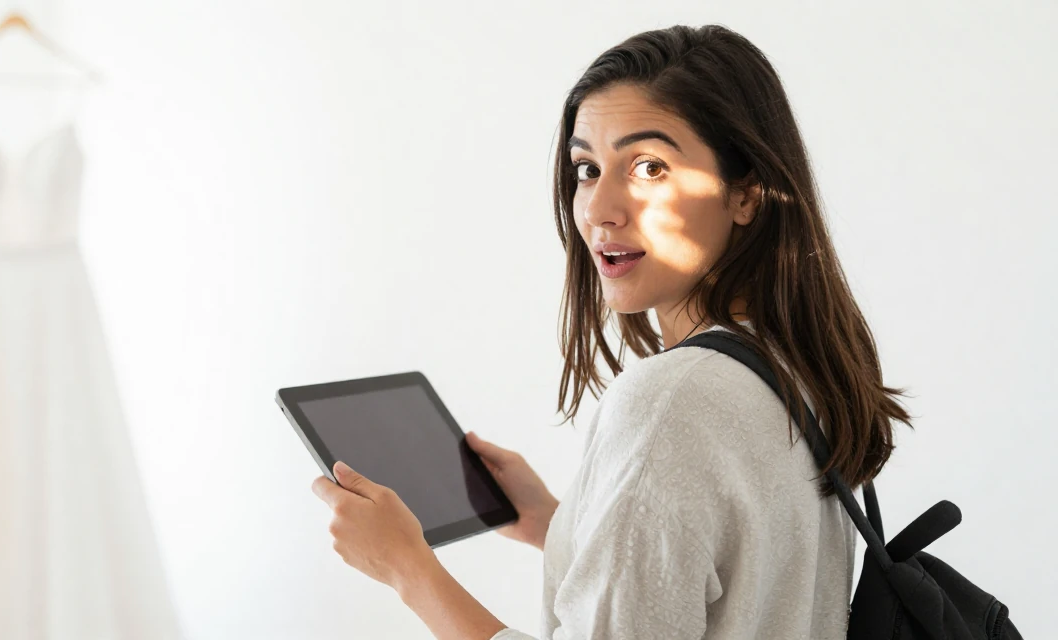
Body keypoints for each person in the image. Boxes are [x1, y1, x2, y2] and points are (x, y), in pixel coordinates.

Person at [311, 23, 912, 639]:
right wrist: (558, 522)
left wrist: (410, 571)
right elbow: (732, 589)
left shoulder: (673, 402)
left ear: (746, 194)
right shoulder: (788, 367)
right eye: (587, 168)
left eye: (649, 166)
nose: (599, 209)